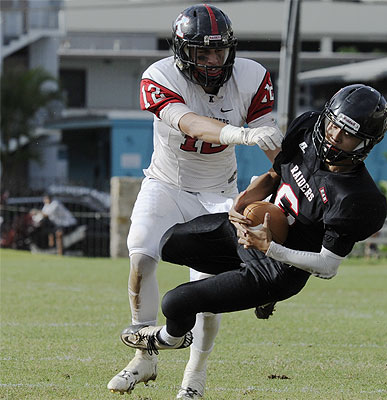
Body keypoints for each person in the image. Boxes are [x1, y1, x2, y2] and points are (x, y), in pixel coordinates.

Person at [116, 84, 387, 398]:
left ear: (366, 143)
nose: (334, 135)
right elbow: (277, 175)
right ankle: (223, 303)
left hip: (277, 269)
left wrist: (271, 248)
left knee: (176, 303)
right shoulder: (307, 129)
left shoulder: (358, 198)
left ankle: (169, 339)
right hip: (251, 231)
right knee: (169, 243)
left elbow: (327, 266)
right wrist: (240, 204)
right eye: (333, 124)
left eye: (347, 133)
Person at [107, 4, 284, 397]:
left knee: (207, 292)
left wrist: (292, 178)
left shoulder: (252, 76)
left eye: (219, 51)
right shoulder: (159, 76)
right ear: (182, 51)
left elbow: (271, 144)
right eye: (202, 52)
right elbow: (187, 122)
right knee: (140, 257)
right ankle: (144, 357)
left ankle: (195, 377)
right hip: (167, 183)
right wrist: (239, 135)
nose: (212, 60)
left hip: (221, 193)